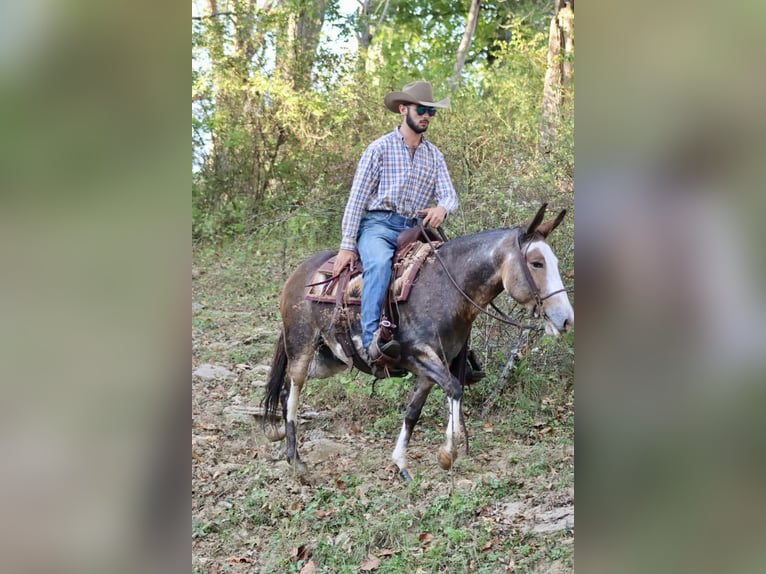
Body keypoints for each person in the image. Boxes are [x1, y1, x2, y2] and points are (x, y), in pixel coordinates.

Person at [332, 80, 458, 364]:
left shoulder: (434, 155)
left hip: (415, 229)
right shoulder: (379, 149)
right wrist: (347, 245)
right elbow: (357, 199)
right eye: (421, 110)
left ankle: (453, 350)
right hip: (379, 226)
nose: (426, 116)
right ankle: (370, 342)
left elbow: (450, 195)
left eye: (431, 112)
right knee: (378, 265)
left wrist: (442, 208)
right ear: (403, 110)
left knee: (451, 270)